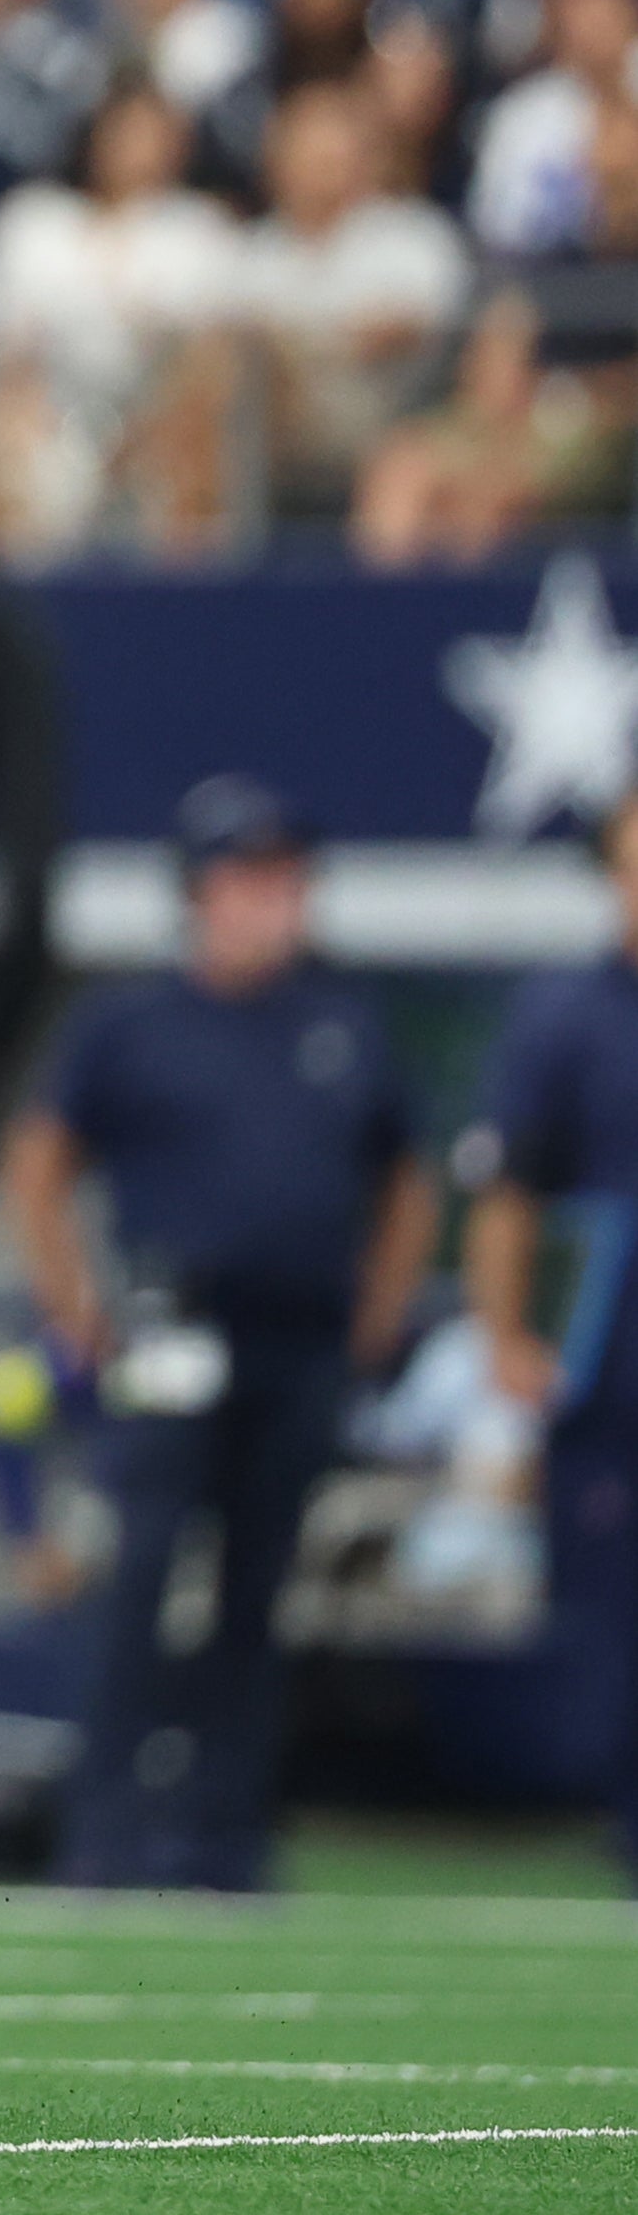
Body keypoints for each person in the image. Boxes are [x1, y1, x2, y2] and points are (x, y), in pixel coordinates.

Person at [0, 776, 435, 1891]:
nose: (274, 901)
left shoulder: (339, 1021)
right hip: (168, 1333)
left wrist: (377, 1310)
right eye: (250, 877)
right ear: (197, 893)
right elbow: (40, 1160)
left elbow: (408, 1175)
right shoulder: (131, 1024)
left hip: (297, 1338)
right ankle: (106, 1827)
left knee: (258, 1589)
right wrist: (74, 1304)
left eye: (287, 877)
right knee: (142, 1569)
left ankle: (228, 1831)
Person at [447, 790, 638, 1889]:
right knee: (609, 1613)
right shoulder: (568, 1013)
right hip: (612, 1361)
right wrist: (504, 1333)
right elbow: (508, 1188)